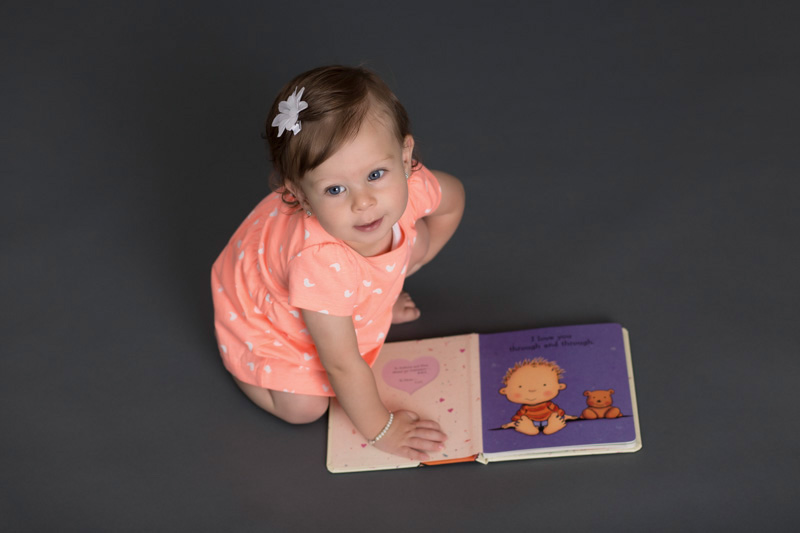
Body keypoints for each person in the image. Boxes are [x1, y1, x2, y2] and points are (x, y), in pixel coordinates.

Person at [211, 65, 465, 460]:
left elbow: (453, 200)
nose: (363, 203)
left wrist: (406, 270)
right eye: (334, 189)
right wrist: (382, 430)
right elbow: (343, 364)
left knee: (415, 243)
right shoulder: (320, 261)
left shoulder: (411, 185)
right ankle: (246, 365)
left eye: (376, 174)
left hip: (335, 287)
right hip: (265, 311)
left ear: (405, 157)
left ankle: (375, 288)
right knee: (303, 408)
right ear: (300, 195)